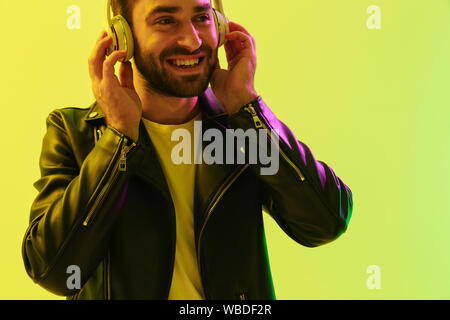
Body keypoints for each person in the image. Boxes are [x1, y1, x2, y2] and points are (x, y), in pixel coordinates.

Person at [22, 0, 353, 300]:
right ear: (123, 35)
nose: (192, 41)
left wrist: (249, 109)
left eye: (202, 16)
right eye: (166, 20)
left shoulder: (240, 128)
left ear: (220, 24)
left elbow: (325, 222)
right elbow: (55, 271)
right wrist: (119, 137)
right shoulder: (74, 133)